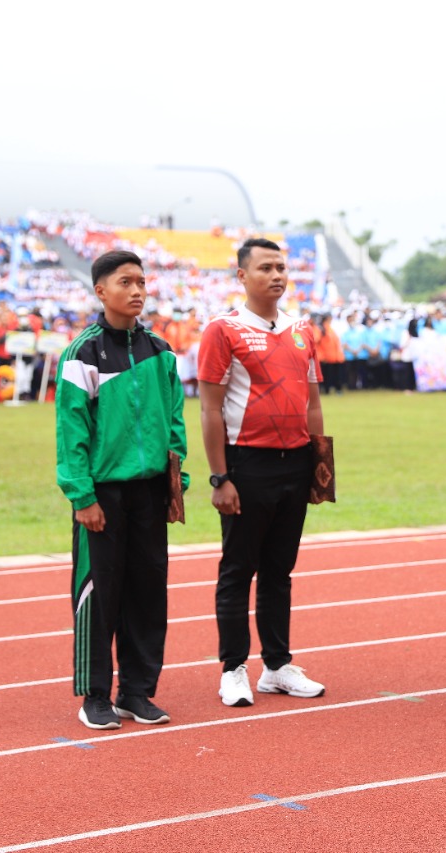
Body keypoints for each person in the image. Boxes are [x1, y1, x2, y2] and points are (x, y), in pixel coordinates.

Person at [55, 249, 190, 730]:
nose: (137, 291)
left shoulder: (160, 351)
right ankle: (95, 694)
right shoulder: (82, 354)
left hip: (151, 493)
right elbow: (71, 433)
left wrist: (177, 481)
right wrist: (82, 496)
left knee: (148, 591)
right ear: (101, 291)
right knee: (99, 592)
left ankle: (137, 690)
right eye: (126, 282)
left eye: (142, 282)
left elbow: (174, 420)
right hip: (103, 496)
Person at [198, 237, 327, 709]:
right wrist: (220, 477)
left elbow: (313, 402)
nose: (276, 275)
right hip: (246, 464)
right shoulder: (223, 331)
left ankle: (277, 666)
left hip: (294, 462)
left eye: (281, 267)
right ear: (242, 276)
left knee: (279, 570)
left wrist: (319, 465)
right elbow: (210, 410)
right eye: (265, 267)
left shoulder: (302, 331)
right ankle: (233, 668)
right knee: (238, 570)